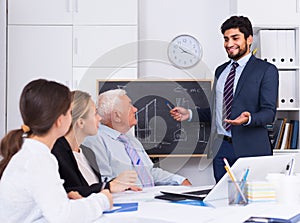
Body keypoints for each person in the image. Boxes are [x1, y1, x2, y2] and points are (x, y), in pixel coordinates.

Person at [170, 15, 279, 182]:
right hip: (221, 149)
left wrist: (249, 118)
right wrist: (190, 114)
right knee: (221, 200)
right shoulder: (220, 71)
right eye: (226, 39)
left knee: (252, 203)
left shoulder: (266, 70)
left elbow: (269, 113)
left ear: (249, 39)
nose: (229, 44)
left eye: (235, 38)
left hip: (251, 149)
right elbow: (219, 111)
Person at [0, 79, 112, 223]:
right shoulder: (39, 159)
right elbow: (63, 217)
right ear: (60, 120)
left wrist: (68, 202)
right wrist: (102, 200)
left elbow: (49, 209)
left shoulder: (32, 153)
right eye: (69, 113)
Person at [83, 89, 192, 187]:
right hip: (127, 201)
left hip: (148, 198)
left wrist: (179, 180)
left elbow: (149, 172)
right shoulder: (95, 140)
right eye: (130, 106)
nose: (135, 109)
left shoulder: (130, 139)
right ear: (116, 116)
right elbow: (103, 182)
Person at [52, 90, 141, 197]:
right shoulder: (56, 153)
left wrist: (118, 184)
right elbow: (65, 193)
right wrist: (109, 186)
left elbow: (92, 187)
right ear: (81, 122)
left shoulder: (88, 153)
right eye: (95, 114)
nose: (99, 118)